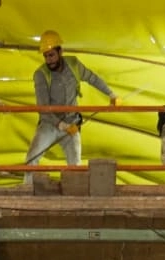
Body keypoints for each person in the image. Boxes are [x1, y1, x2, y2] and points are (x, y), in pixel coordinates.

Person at [24, 30, 118, 171]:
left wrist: (111, 94)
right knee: (31, 158)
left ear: (60, 51)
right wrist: (61, 125)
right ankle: (27, 185)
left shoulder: (74, 65)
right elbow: (43, 108)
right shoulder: (40, 74)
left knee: (75, 166)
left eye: (51, 55)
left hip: (72, 122)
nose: (49, 60)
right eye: (45, 56)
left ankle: (74, 185)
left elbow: (92, 78)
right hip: (49, 124)